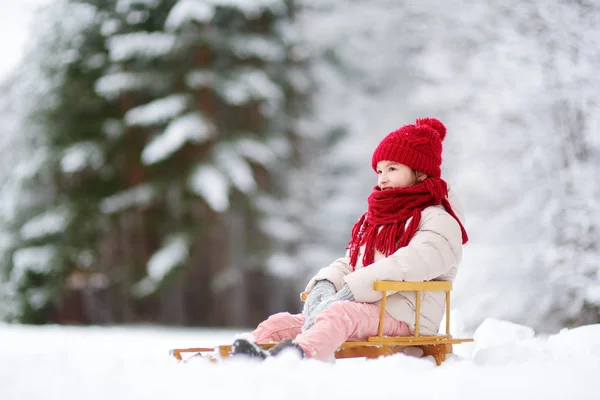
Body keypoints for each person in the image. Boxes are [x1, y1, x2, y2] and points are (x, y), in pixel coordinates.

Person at [231, 117, 468, 361]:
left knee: (339, 314)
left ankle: (296, 357)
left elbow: (408, 264)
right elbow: (353, 261)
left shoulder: (439, 221)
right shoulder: (379, 219)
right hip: (367, 309)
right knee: (280, 323)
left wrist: (350, 292)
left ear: (420, 173)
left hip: (405, 317)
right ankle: (238, 357)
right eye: (379, 171)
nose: (382, 178)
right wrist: (326, 284)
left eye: (392, 169)